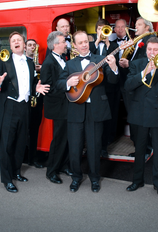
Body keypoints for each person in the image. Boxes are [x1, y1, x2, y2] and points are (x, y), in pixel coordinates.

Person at [57, 30, 123, 193]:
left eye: (86, 41)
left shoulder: (99, 59)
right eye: (80, 43)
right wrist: (68, 82)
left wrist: (114, 67)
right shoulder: (70, 63)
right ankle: (76, 178)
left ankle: (94, 178)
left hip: (96, 110)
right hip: (76, 110)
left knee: (94, 147)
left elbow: (113, 81)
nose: (84, 44)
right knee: (75, 147)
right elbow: (59, 83)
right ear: (75, 46)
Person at [0, 32, 50, 193]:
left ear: (24, 44)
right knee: (7, 144)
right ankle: (7, 179)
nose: (16, 42)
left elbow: (31, 82)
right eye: (13, 41)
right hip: (9, 107)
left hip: (25, 107)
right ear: (10, 46)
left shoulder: (29, 63)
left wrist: (35, 87)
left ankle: (16, 172)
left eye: (19, 40)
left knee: (21, 143)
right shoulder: (3, 61)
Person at [125, 37, 158, 196]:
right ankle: (137, 181)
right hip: (139, 112)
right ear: (146, 50)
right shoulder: (136, 64)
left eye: (155, 50)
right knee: (140, 149)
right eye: (150, 49)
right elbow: (128, 86)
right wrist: (144, 72)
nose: (152, 52)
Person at [40, 31, 72, 184]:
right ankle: (51, 171)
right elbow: (48, 88)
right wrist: (67, 86)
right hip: (58, 107)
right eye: (63, 42)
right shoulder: (48, 63)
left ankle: (64, 165)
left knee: (66, 138)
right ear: (55, 45)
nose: (66, 44)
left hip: (66, 105)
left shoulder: (63, 58)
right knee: (59, 140)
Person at [124, 17, 155, 157]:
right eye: (135, 24)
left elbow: (145, 65)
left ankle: (144, 149)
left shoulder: (148, 41)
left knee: (140, 121)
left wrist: (128, 64)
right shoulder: (138, 41)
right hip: (133, 86)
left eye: (139, 25)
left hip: (140, 88)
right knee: (135, 119)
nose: (135, 27)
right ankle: (140, 147)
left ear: (147, 27)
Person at [89, 19, 119, 157]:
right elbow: (88, 60)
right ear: (96, 30)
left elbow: (115, 63)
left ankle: (104, 146)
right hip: (94, 87)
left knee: (108, 117)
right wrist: (96, 42)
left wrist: (107, 44)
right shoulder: (89, 45)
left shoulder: (113, 45)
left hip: (109, 86)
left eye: (105, 28)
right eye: (100, 28)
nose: (102, 31)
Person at [24, 39, 44, 168]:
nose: (32, 47)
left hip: (37, 100)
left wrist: (42, 69)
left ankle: (33, 157)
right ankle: (23, 157)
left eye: (34, 45)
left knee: (35, 129)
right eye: (29, 45)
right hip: (25, 101)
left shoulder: (37, 63)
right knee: (24, 130)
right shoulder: (22, 62)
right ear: (25, 48)